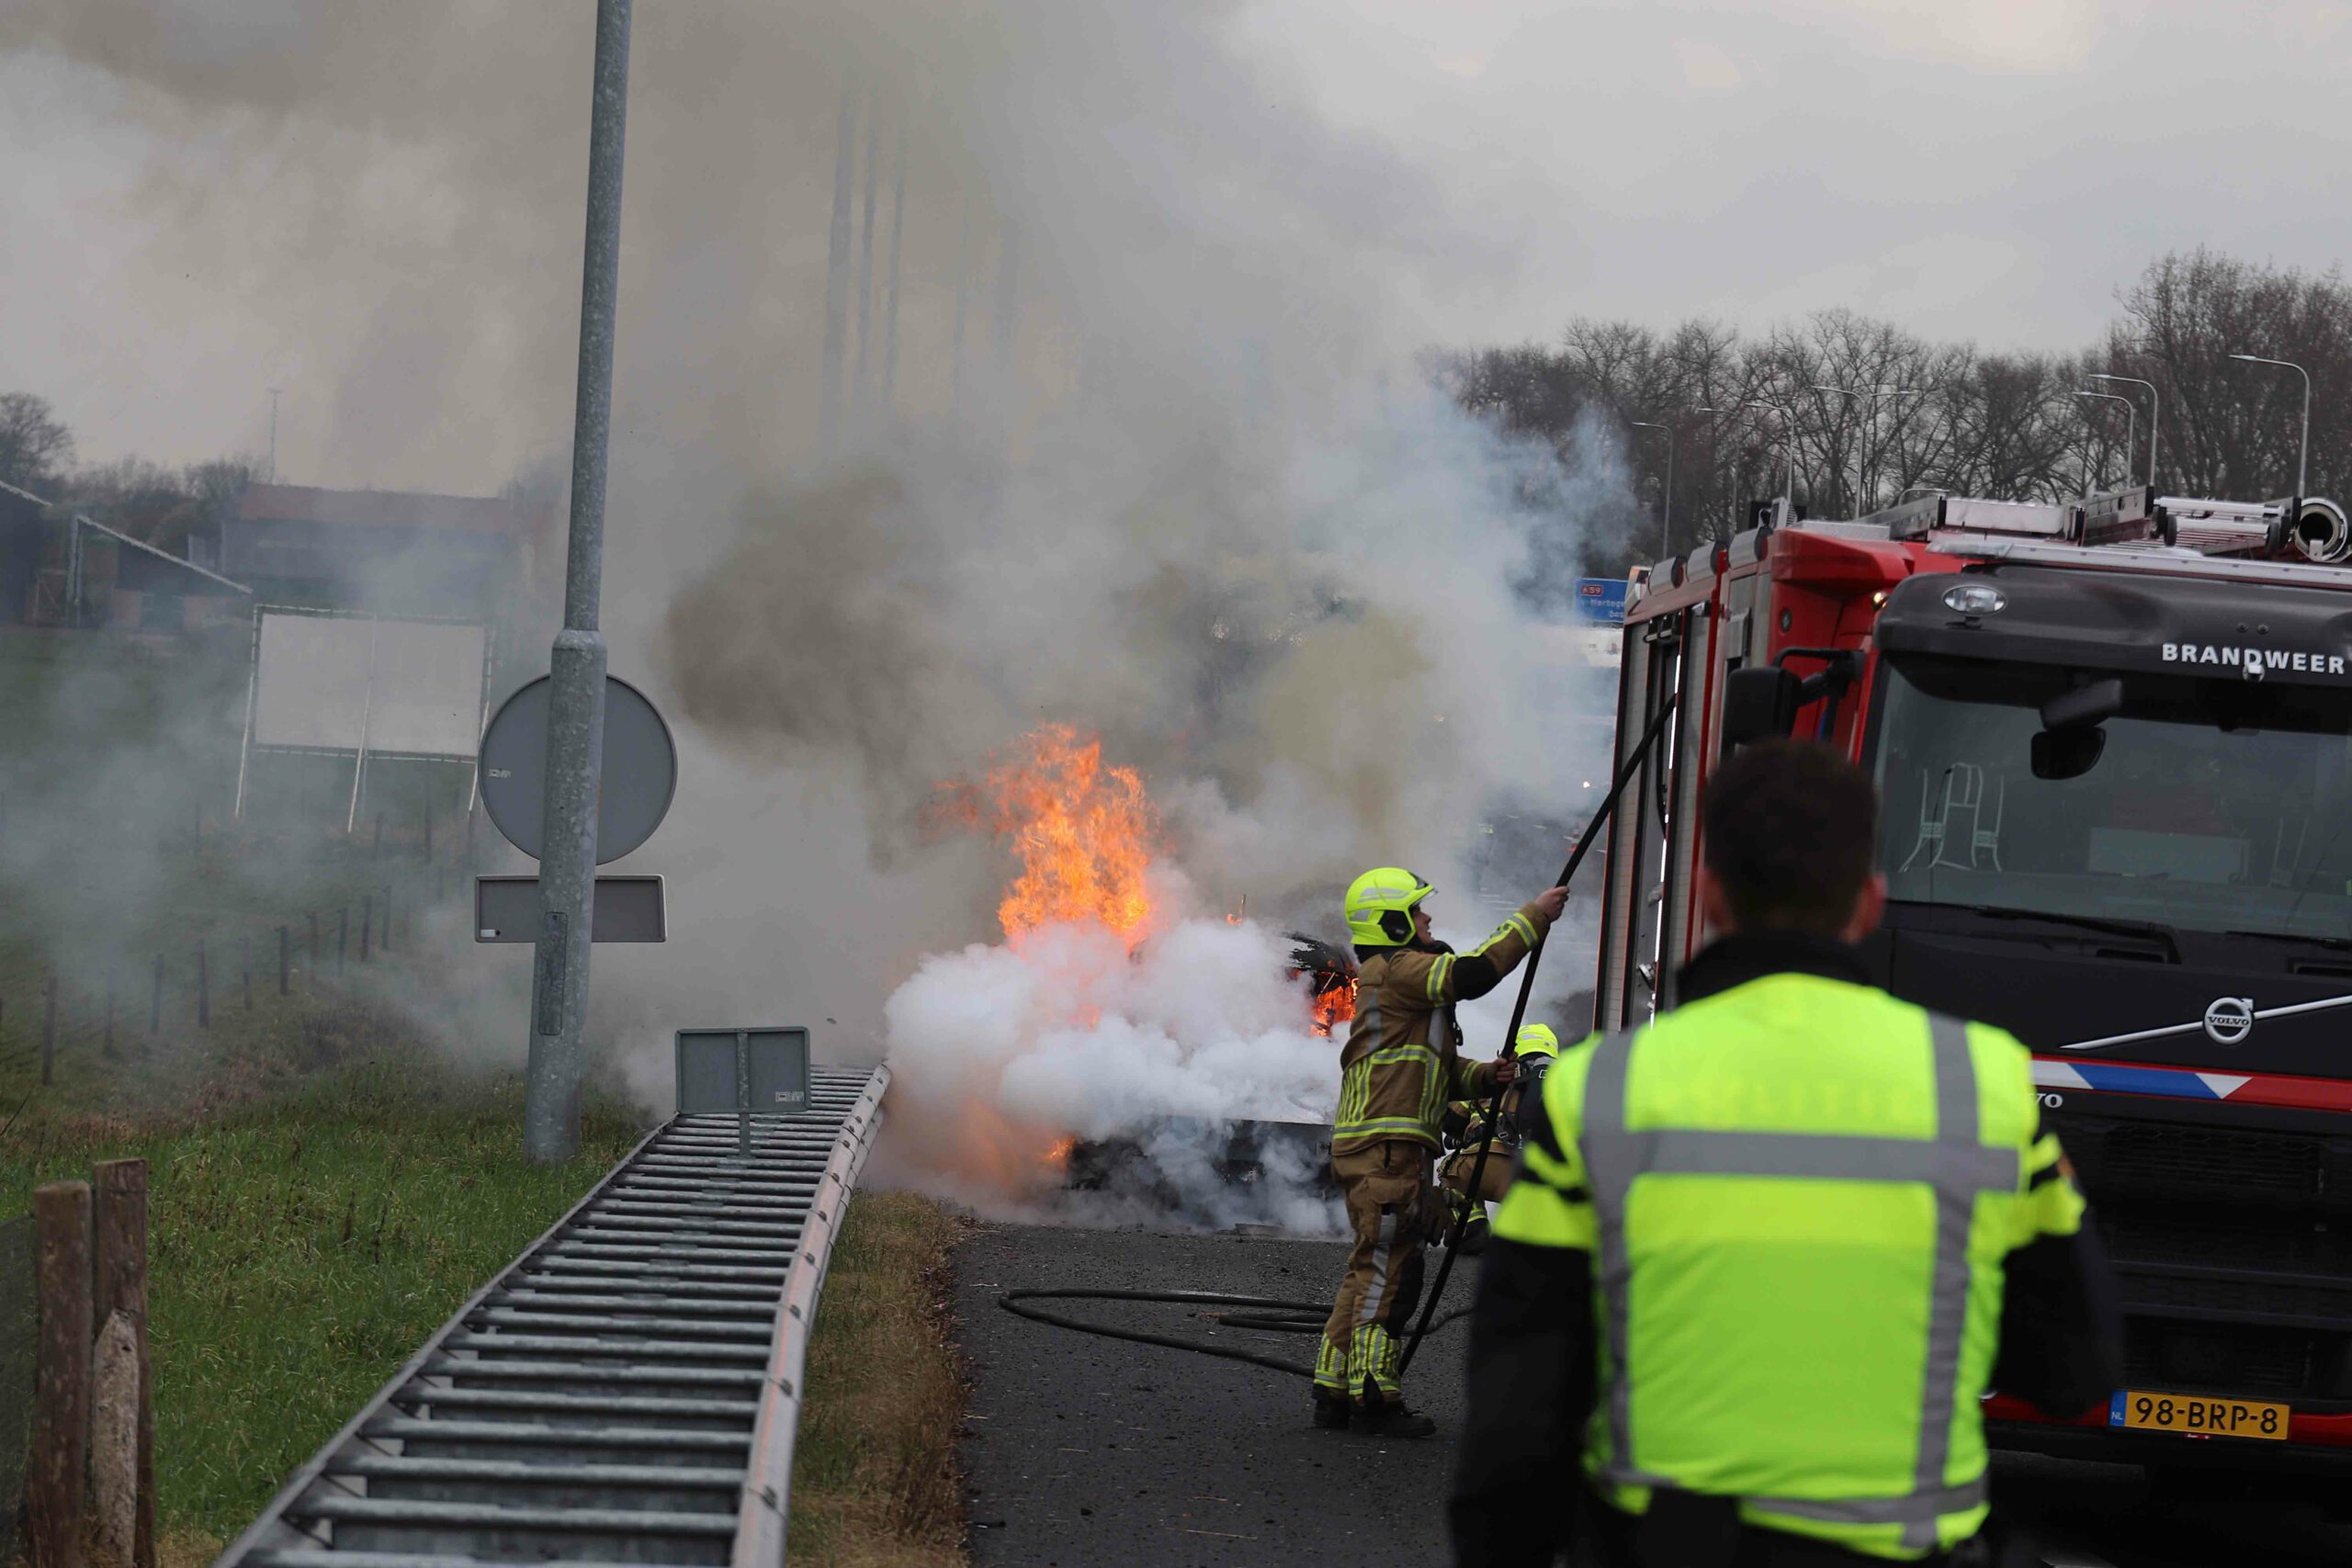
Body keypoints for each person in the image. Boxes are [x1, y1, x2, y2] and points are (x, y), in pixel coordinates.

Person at [1450, 740, 2121, 1566]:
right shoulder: (1982, 1084)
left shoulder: (1603, 1089)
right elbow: (2075, 1370)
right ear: (1869, 903)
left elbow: (1518, 1410)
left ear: (1709, 894)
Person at [1317, 867, 1571, 1438]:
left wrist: (1485, 1076)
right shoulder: (1401, 970)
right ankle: (1373, 1396)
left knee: (1368, 1267)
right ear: (1392, 923)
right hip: (1387, 1149)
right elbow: (1474, 974)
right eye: (1416, 911)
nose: (1427, 918)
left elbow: (1434, 1068)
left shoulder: (1393, 986)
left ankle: (1332, 1388)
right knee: (1391, 1274)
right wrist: (1535, 916)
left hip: (1377, 1144)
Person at [1437, 1022, 1565, 1253]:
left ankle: (1472, 1227)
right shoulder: (1560, 1088)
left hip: (1481, 1168)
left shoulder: (1495, 1078)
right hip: (1532, 1178)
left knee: (1448, 1172)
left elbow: (1451, 1120)